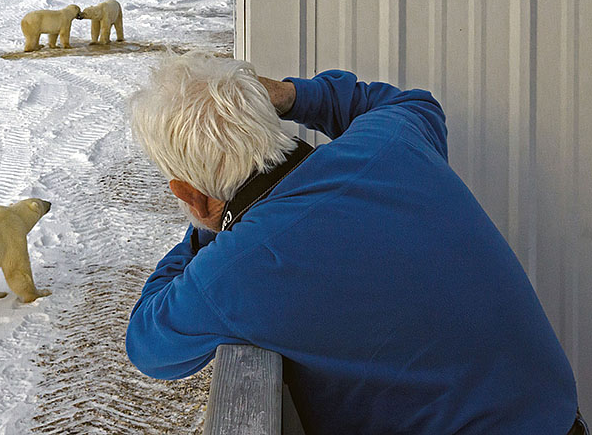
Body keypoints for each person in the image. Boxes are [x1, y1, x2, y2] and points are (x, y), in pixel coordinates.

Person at [125, 51, 582, 435]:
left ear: (188, 192)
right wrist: (296, 95)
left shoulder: (234, 269)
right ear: (265, 114)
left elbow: (148, 344)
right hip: (564, 421)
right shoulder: (394, 141)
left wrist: (206, 228)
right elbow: (414, 103)